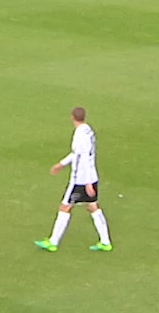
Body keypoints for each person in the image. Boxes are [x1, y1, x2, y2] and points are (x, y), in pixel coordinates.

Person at [35, 107, 113, 253]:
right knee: (92, 207)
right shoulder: (88, 130)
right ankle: (105, 242)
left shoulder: (79, 135)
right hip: (92, 177)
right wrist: (61, 164)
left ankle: (53, 242)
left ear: (72, 117)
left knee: (65, 207)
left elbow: (83, 158)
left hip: (80, 181)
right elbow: (79, 154)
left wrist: (87, 183)